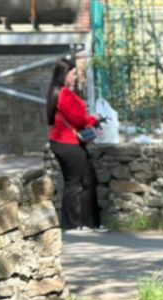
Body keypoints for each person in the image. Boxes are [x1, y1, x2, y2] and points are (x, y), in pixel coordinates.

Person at [46, 57, 105, 234]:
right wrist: (94, 119)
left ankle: (90, 223)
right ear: (65, 74)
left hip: (68, 142)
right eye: (72, 73)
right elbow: (78, 119)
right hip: (67, 143)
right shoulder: (64, 94)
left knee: (89, 179)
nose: (75, 76)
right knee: (75, 182)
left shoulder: (60, 92)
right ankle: (71, 225)